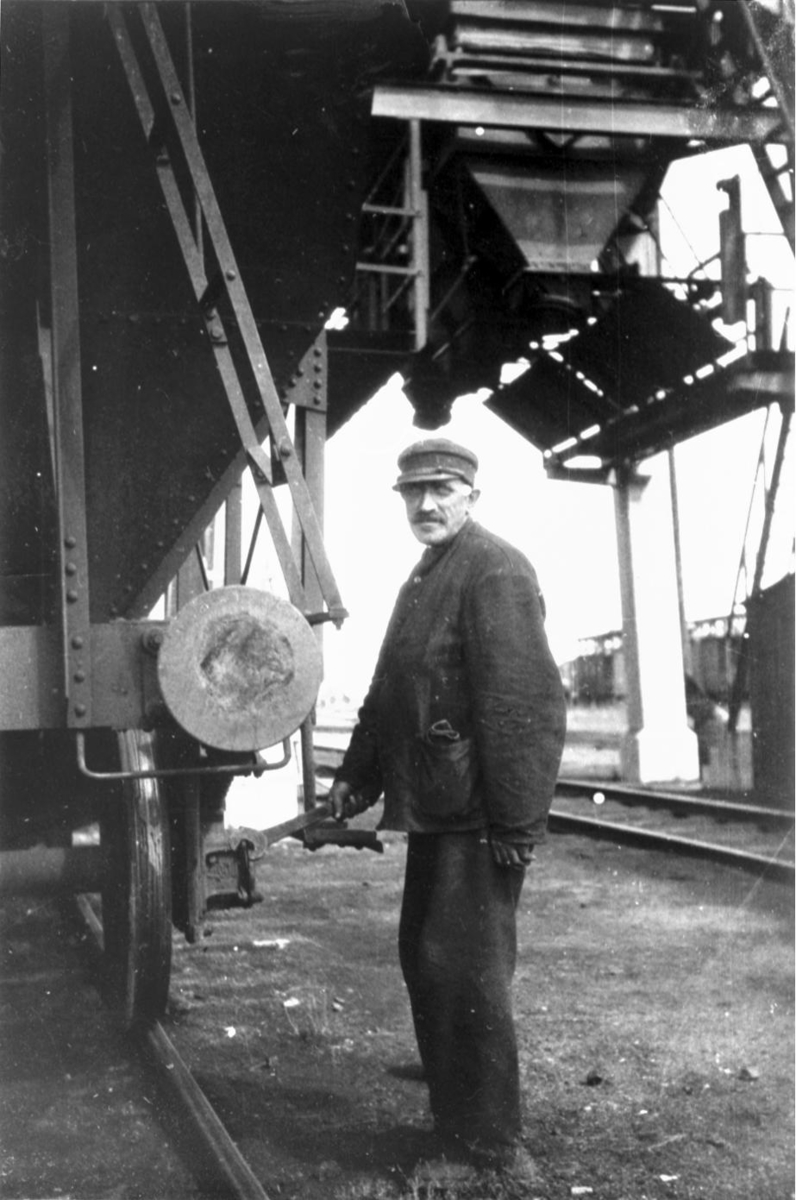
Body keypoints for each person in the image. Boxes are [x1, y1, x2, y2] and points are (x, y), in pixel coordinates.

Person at [329, 437, 567, 1175]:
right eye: (413, 492)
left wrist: (516, 822)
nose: (426, 504)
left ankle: (489, 1145)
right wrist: (356, 777)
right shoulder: (430, 571)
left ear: (472, 497)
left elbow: (524, 705)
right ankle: (458, 1108)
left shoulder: (494, 570)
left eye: (442, 490)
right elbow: (392, 687)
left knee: (463, 971)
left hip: (475, 817)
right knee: (431, 961)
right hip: (440, 807)